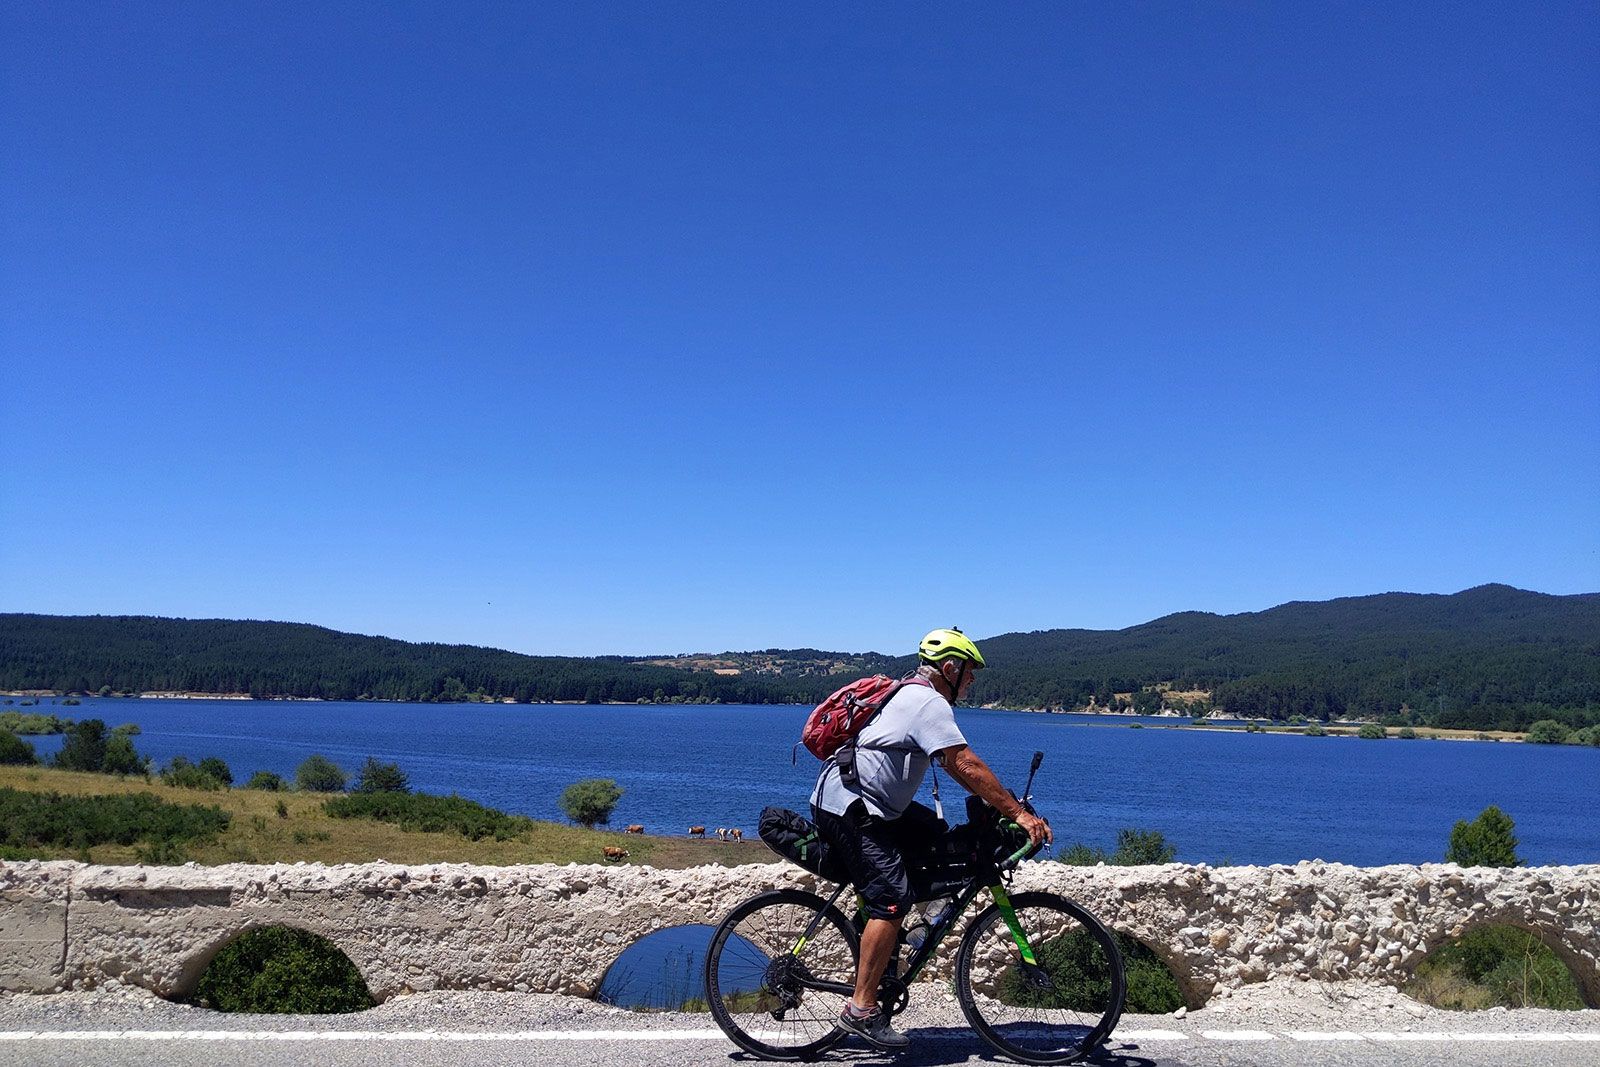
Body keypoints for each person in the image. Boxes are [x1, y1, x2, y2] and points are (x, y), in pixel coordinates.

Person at [810, 627, 1052, 1050]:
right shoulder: (926, 701)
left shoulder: (912, 693)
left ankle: (886, 937)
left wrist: (1004, 803)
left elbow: (960, 769)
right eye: (970, 672)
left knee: (938, 840)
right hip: (850, 807)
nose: (973, 680)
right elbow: (964, 764)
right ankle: (861, 1009)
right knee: (891, 898)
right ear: (950, 668)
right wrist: (1017, 813)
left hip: (869, 804)